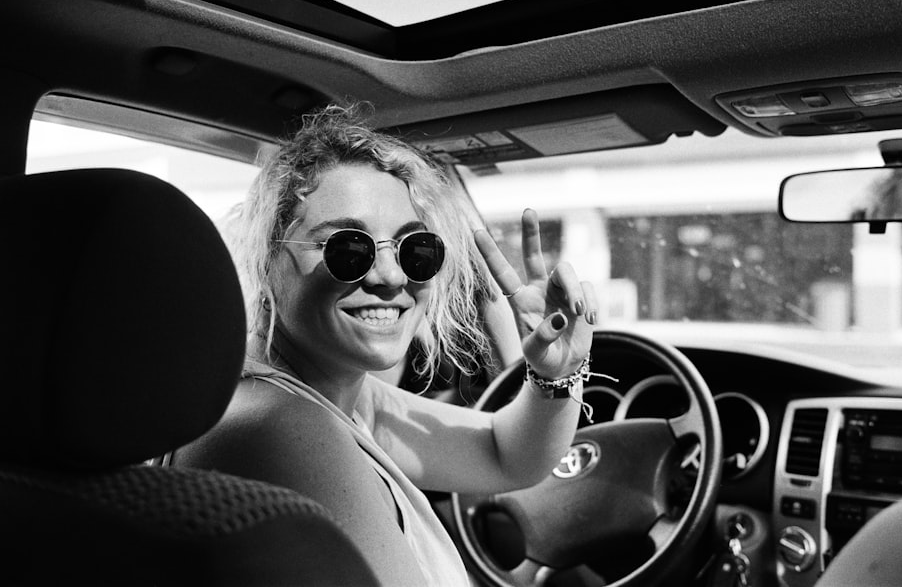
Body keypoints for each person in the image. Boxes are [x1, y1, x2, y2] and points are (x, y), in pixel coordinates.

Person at [171, 102, 597, 586]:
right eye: (349, 248)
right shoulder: (283, 427)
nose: (392, 277)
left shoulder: (331, 392)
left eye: (415, 249)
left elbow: (506, 455)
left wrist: (555, 372)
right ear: (267, 260)